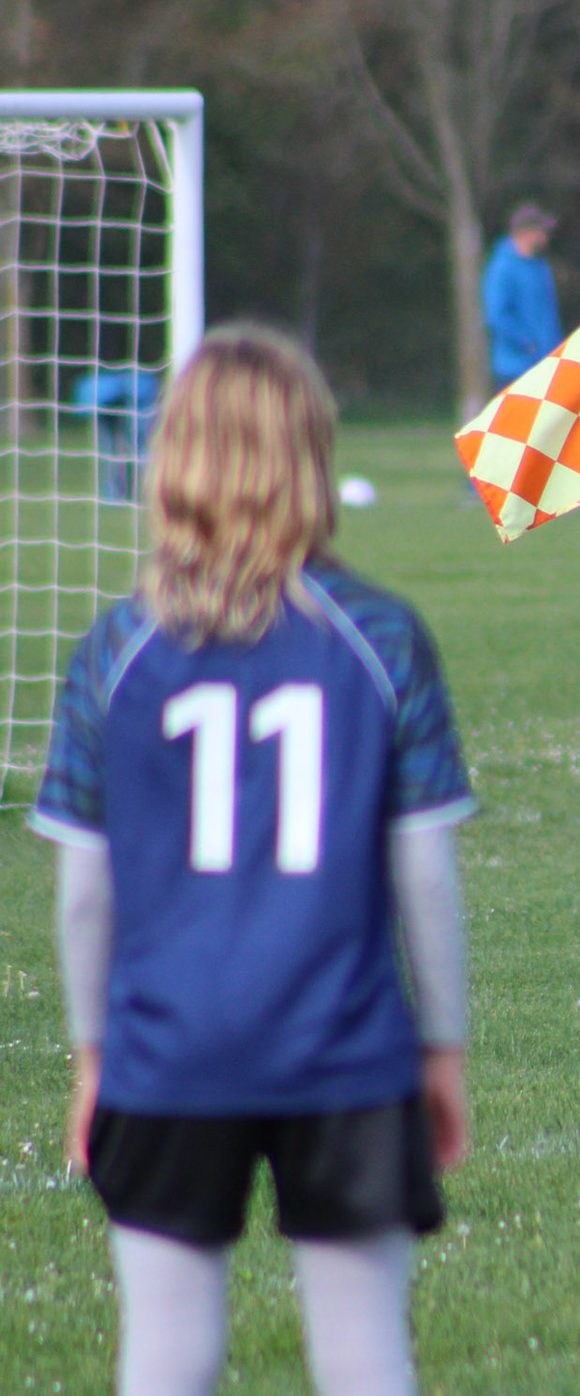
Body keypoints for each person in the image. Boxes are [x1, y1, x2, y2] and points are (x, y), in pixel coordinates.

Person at [30, 324, 476, 1396]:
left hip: (167, 1051)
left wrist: (93, 1058)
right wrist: (443, 1050)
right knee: (365, 1354)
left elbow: (84, 895)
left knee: (167, 1354)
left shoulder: (117, 650)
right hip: (347, 1050)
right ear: (311, 453)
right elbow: (424, 876)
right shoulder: (381, 635)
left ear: (173, 457)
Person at [482, 203, 564, 390]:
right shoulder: (502, 267)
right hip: (515, 369)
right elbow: (496, 315)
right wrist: (526, 343)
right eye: (541, 230)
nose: (546, 236)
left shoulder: (540, 265)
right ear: (526, 232)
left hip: (547, 363)